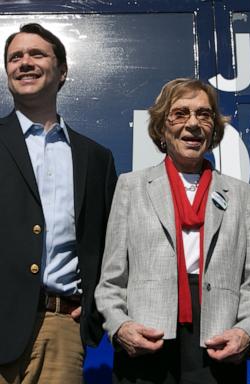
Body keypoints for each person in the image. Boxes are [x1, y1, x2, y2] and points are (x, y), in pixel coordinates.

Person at [95, 78, 250, 384]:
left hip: (217, 343)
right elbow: (111, 281)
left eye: (204, 115)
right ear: (162, 127)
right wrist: (120, 327)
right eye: (180, 114)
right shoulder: (131, 187)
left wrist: (245, 332)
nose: (193, 124)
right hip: (146, 342)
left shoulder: (243, 195)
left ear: (214, 129)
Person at [0, 23, 117, 383]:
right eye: (15, 57)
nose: (24, 63)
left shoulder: (96, 158)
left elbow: (111, 242)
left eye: (36, 54)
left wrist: (94, 312)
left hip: (61, 329)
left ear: (62, 71)